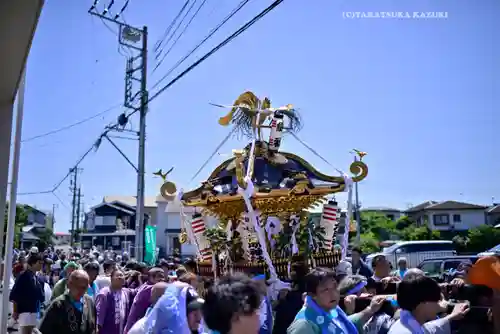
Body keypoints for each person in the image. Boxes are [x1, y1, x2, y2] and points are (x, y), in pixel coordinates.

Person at [287, 267, 384, 334]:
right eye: (325, 290)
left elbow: (341, 325)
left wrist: (370, 309)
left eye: (334, 286)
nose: (333, 293)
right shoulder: (304, 324)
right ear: (313, 295)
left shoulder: (332, 309)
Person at [388, 275, 469, 334]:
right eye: (437, 300)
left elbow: (429, 328)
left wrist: (451, 317)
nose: (440, 305)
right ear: (424, 303)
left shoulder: (406, 322)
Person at [38, 270, 96, 334]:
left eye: (84, 288)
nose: (81, 290)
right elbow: (45, 330)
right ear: (69, 284)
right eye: (78, 287)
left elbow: (93, 327)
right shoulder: (58, 305)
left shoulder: (89, 302)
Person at [10, 252, 46, 334]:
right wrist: (15, 311)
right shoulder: (23, 276)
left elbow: (40, 296)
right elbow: (15, 294)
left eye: (42, 263)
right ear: (33, 263)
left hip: (33, 310)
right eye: (39, 263)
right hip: (24, 310)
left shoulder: (37, 278)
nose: (41, 265)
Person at [95, 268, 137, 334]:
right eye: (117, 275)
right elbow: (99, 316)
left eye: (122, 275)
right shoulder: (105, 293)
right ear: (111, 279)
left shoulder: (126, 292)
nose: (120, 277)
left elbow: (140, 291)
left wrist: (139, 278)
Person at [125, 267, 166, 333]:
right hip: (137, 328)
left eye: (163, 277)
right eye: (159, 276)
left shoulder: (145, 286)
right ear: (151, 278)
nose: (162, 279)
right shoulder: (149, 289)